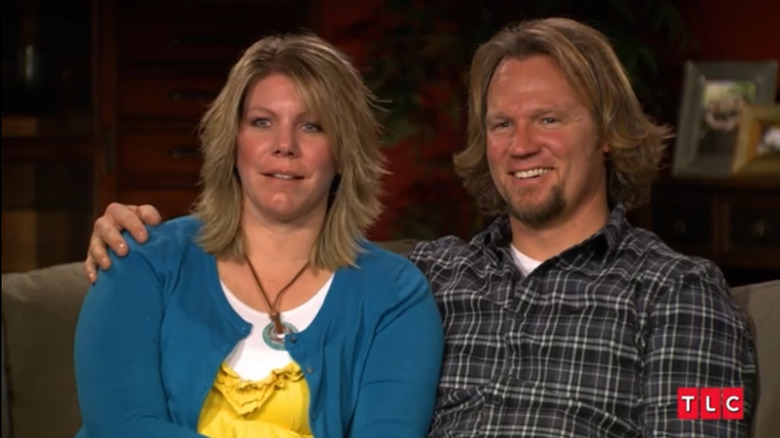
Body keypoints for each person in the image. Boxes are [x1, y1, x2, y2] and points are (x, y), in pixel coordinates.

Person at [84, 18, 757, 437]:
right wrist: (128, 233)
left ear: (607, 134)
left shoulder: (680, 294)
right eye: (501, 124)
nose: (521, 143)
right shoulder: (428, 277)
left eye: (549, 119)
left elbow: (706, 428)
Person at [74, 32, 444, 438]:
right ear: (233, 141)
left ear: (343, 152)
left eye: (312, 126)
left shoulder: (395, 295)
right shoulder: (141, 258)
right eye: (262, 122)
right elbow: (121, 427)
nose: (284, 145)